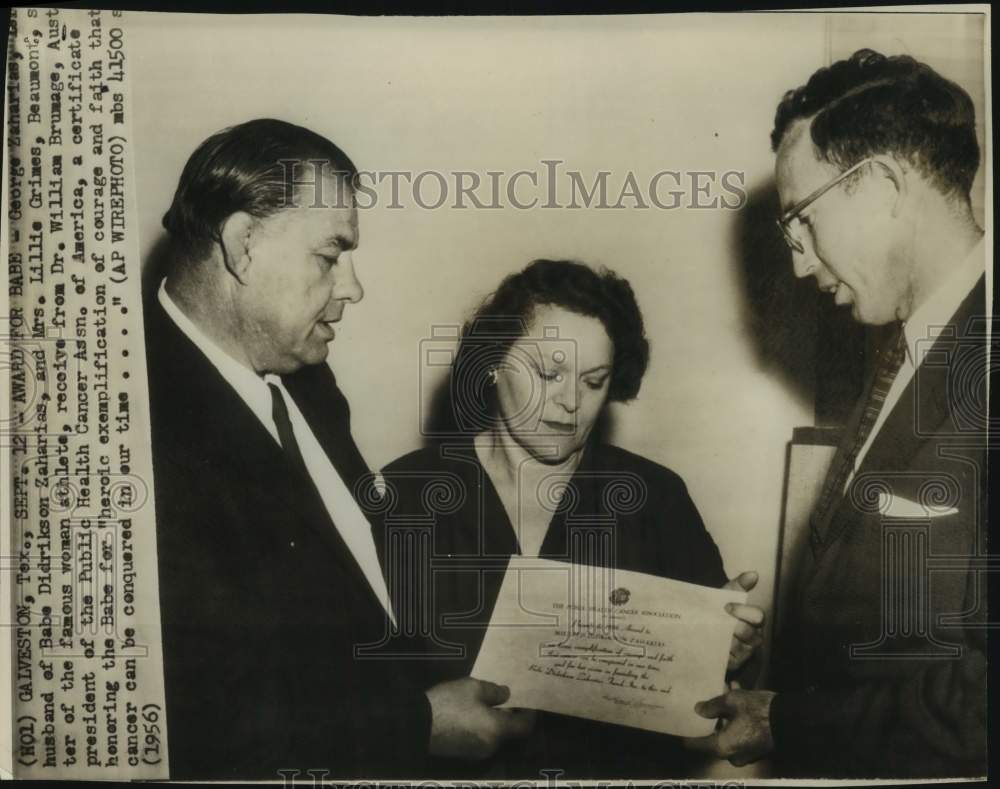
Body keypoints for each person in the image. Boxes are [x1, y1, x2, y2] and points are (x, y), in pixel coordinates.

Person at [144, 118, 532, 780]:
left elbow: (360, 577)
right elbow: (205, 728)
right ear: (243, 245)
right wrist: (418, 726)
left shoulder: (306, 375)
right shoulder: (138, 431)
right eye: (329, 257)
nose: (352, 288)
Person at [685, 50, 988, 778]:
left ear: (883, 184)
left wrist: (789, 719)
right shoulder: (910, 353)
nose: (798, 264)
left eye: (802, 223)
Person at [376, 259, 765, 778]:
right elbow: (354, 691)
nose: (569, 402)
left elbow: (710, 697)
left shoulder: (654, 497)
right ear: (491, 362)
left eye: (593, 381)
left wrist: (726, 651)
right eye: (547, 373)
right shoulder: (403, 495)